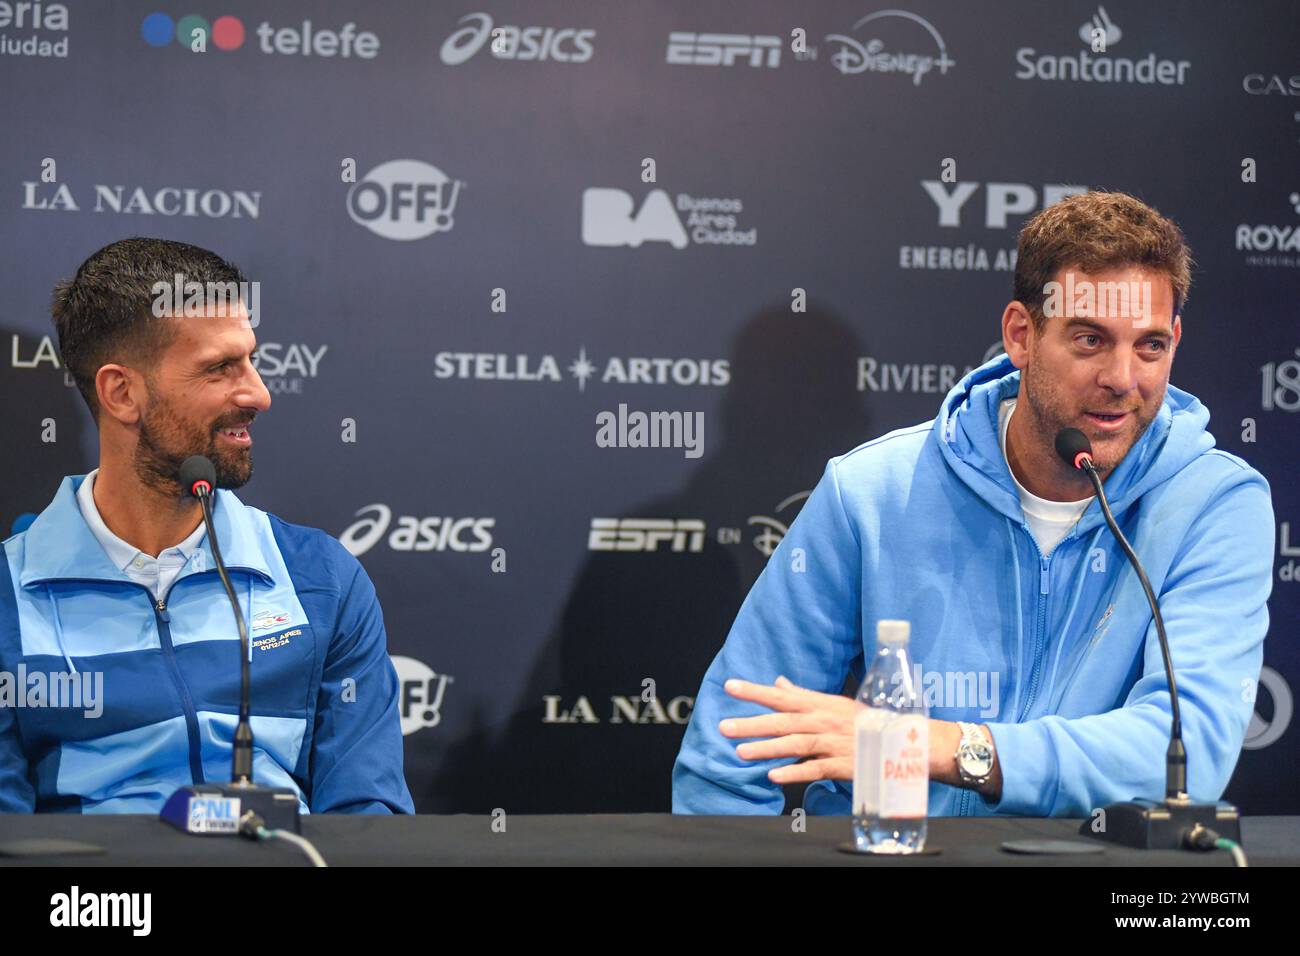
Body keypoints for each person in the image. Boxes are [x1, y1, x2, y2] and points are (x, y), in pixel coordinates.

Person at [673, 191, 1275, 817]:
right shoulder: (873, 492)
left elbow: (1187, 756)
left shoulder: (1213, 504)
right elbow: (731, 758)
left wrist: (942, 748)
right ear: (1021, 335)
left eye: (1150, 346)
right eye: (1091, 340)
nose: (1124, 378)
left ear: (1174, 340)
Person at [0, 237, 414, 814]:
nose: (259, 394)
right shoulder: (8, 598)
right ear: (122, 393)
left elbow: (368, 823)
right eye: (219, 368)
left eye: (251, 359)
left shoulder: (321, 580)